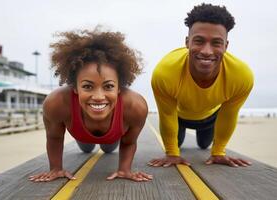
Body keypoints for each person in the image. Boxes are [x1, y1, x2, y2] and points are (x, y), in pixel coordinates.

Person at [29, 27, 153, 182]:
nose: (99, 97)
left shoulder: (136, 107)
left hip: (113, 139)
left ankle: (105, 145)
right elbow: (54, 137)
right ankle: (86, 143)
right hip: (82, 136)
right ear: (75, 87)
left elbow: (128, 142)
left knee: (108, 149)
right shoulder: (57, 103)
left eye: (108, 86)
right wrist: (56, 169)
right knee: (86, 148)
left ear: (119, 87)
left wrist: (124, 169)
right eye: (88, 86)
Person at [148, 3, 254, 168]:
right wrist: (172, 153)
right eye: (199, 41)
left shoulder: (241, 76)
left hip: (211, 118)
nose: (206, 51)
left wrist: (218, 152)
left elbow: (228, 114)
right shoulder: (165, 72)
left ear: (226, 46)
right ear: (187, 42)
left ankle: (204, 137)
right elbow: (167, 114)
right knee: (178, 144)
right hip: (179, 116)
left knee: (204, 145)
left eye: (216, 43)